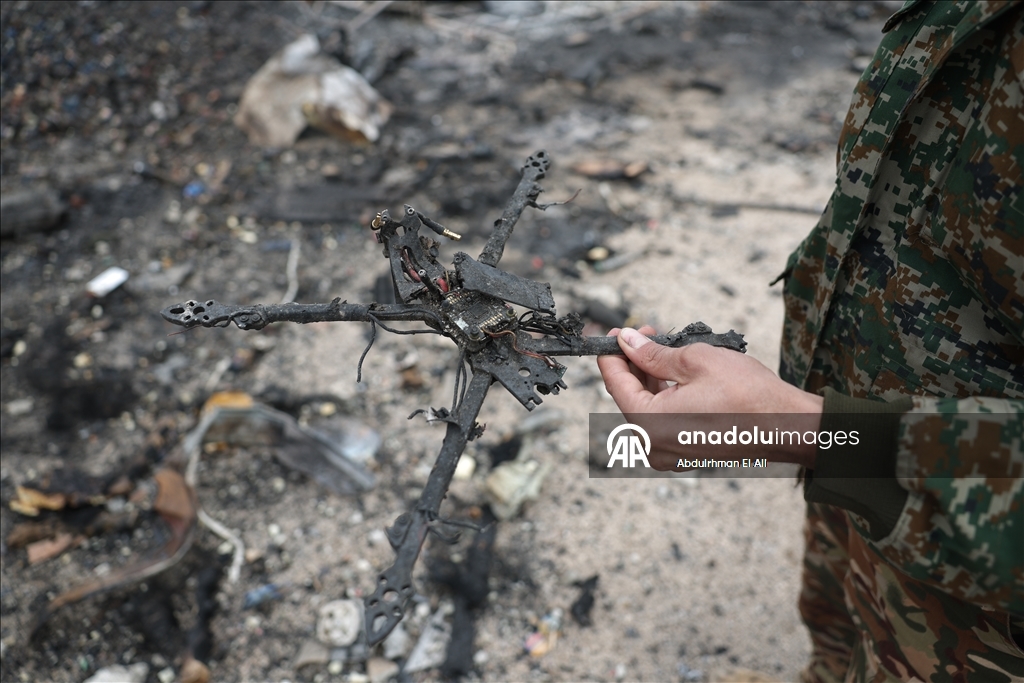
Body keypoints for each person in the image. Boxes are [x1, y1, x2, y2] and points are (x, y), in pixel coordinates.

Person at [597, 1, 1024, 681]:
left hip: (982, 603)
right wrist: (820, 428)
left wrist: (805, 430)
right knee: (839, 635)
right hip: (855, 463)